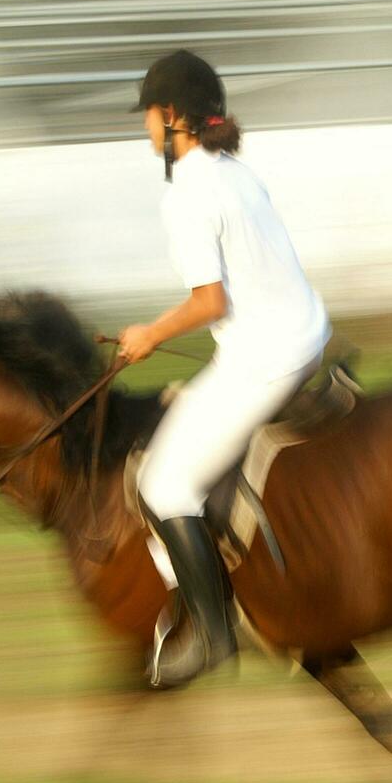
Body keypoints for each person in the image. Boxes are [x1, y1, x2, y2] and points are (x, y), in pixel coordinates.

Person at [120, 49, 331, 688]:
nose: (146, 129)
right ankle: (203, 599)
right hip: (303, 337)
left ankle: (215, 636)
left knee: (160, 487)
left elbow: (209, 301)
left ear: (173, 117)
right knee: (175, 436)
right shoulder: (236, 171)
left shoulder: (188, 191)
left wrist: (148, 336)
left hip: (266, 360)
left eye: (149, 116)